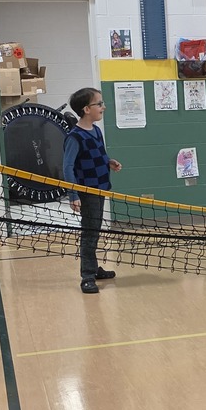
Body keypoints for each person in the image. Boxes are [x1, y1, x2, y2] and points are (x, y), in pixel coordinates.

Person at [63, 88, 122, 294]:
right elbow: (67, 167)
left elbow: (98, 154)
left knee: (95, 231)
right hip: (87, 192)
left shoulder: (96, 131)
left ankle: (94, 268)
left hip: (100, 188)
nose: (103, 107)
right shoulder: (74, 137)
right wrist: (73, 194)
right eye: (99, 104)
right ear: (86, 109)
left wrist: (109, 161)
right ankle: (87, 276)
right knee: (89, 233)